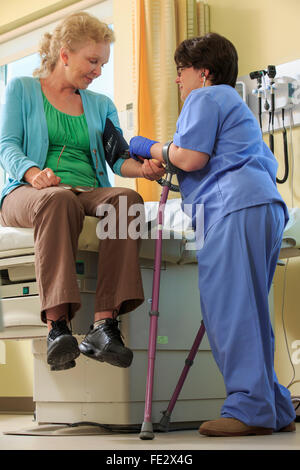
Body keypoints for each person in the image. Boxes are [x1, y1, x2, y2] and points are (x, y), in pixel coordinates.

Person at [129, 33, 296, 436]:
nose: (177, 81)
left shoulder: (204, 98)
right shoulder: (233, 104)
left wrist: (147, 146)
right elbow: (201, 159)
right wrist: (165, 158)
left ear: (202, 72)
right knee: (252, 311)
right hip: (263, 206)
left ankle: (249, 410)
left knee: (229, 312)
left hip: (231, 208)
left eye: (180, 71)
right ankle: (275, 406)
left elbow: (190, 157)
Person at [0, 11, 165, 372]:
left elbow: (117, 157)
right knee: (58, 200)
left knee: (127, 201)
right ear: (64, 54)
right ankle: (57, 327)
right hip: (28, 192)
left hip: (88, 188)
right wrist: (31, 172)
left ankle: (104, 326)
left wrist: (145, 169)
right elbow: (6, 145)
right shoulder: (23, 90)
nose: (98, 71)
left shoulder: (99, 104)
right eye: (93, 61)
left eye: (103, 63)